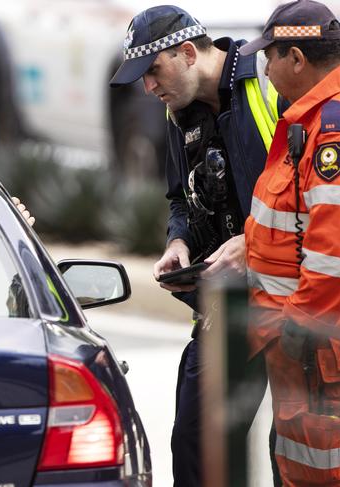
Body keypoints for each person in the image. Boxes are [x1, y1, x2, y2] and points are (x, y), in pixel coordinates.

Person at [110, 6, 284, 486]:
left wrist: (252, 245)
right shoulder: (176, 108)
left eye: (153, 71)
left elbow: (314, 197)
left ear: (188, 53)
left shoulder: (270, 85)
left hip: (293, 297)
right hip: (227, 305)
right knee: (195, 443)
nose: (148, 87)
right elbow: (179, 199)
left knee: (290, 451)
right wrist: (178, 239)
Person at [240, 0, 340, 484]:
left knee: (322, 472)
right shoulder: (313, 117)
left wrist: (298, 327)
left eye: (270, 57)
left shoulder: (334, 128)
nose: (265, 69)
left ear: (298, 59)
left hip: (315, 351)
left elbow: (335, 252)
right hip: (304, 349)